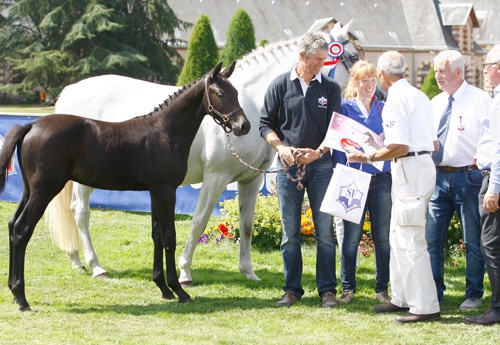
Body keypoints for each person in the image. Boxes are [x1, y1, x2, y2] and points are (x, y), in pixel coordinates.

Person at [347, 51, 441, 323]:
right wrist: (379, 146)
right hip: (418, 165)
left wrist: (367, 156)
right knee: (399, 236)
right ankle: (401, 298)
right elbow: (430, 143)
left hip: (409, 168)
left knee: (410, 239)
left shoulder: (395, 102)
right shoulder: (420, 96)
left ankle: (424, 306)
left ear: (382, 75)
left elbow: (400, 146)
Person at [259, 31, 342, 308]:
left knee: (325, 233)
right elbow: (265, 125)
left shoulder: (330, 89)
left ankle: (327, 291)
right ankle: (292, 289)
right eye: (317, 59)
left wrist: (317, 153)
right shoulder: (280, 85)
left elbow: (336, 130)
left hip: (321, 168)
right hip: (287, 169)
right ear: (302, 56)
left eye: (324, 59)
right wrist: (281, 148)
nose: (322, 64)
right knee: (289, 234)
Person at [425, 50, 490, 310]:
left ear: (458, 72)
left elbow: (490, 137)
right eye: (436, 71)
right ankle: (434, 291)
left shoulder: (480, 100)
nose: (437, 76)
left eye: (441, 71)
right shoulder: (436, 102)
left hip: (469, 177)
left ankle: (473, 293)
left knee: (473, 240)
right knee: (432, 239)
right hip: (439, 177)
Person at [332, 60, 391, 305]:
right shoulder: (344, 109)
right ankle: (348, 289)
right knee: (351, 238)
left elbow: (393, 144)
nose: (369, 85)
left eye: (373, 80)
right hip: (353, 179)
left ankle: (382, 288)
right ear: (355, 83)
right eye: (364, 80)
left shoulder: (385, 108)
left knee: (383, 237)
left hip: (381, 179)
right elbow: (336, 143)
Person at [465, 44, 500, 325]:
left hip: (495, 181)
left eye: (487, 65)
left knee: (491, 244)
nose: (484, 70)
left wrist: (494, 187)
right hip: (490, 171)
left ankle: (497, 309)